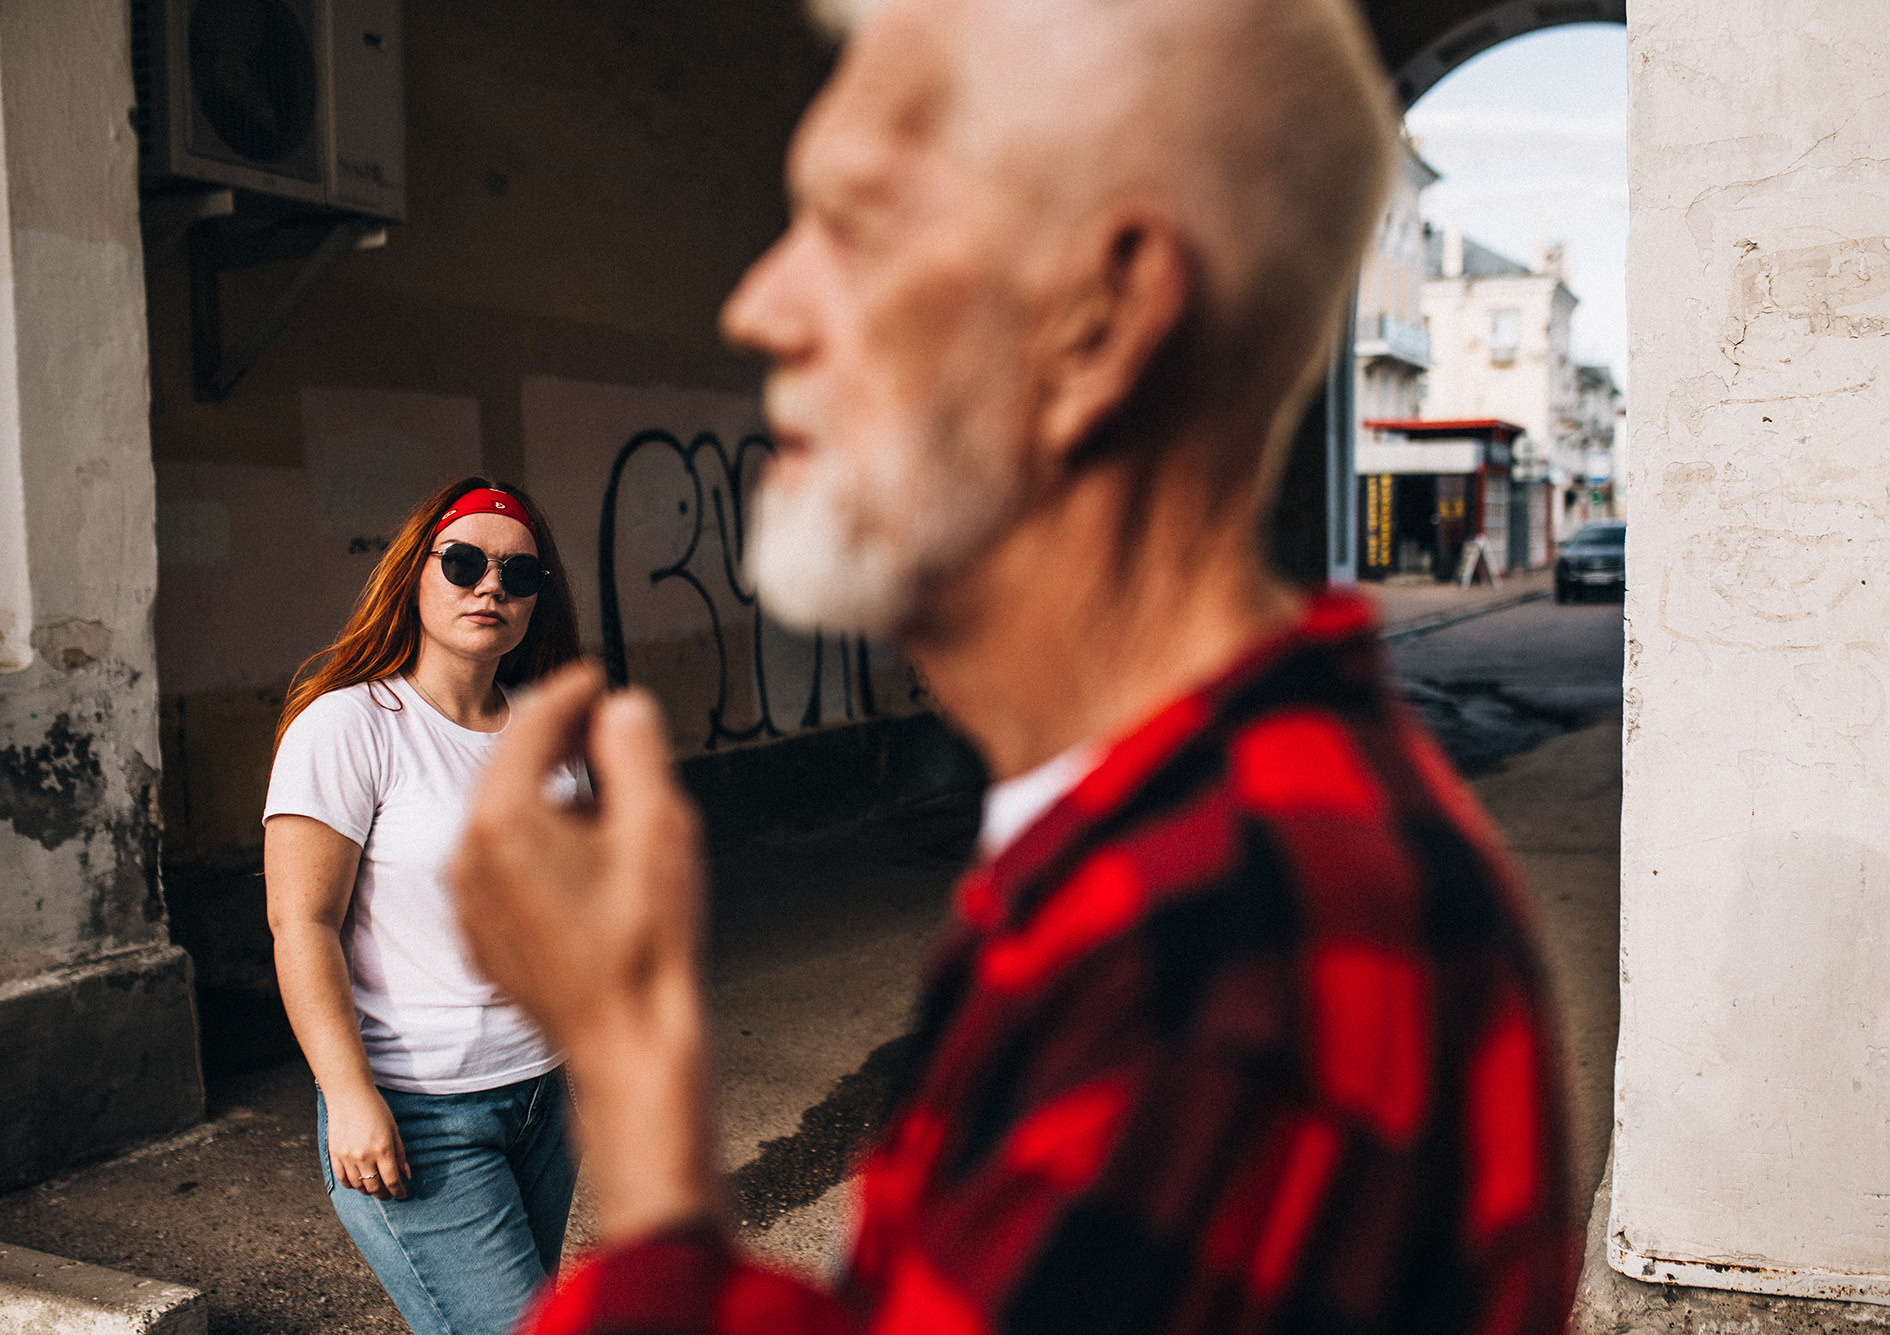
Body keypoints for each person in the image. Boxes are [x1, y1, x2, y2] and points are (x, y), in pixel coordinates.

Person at [451, 0, 1578, 1330]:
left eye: (854, 223)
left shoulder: (1227, 960)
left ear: (1098, 321)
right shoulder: (1172, 844)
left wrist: (631, 1068)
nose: (760, 307)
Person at [264, 479, 585, 1335]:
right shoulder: (349, 727)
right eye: (465, 562)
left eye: (519, 574)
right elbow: (303, 923)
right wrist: (349, 1093)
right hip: (419, 1112)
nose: (491, 587)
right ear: (415, 573)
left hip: (541, 1100)